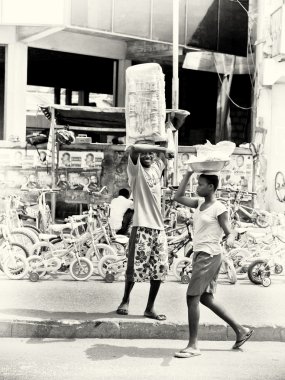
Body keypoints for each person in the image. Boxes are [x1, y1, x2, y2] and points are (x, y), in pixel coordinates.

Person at [173, 171, 253, 358]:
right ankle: (240, 330)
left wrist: (231, 238)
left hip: (209, 255)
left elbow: (229, 230)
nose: (197, 187)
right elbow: (178, 196)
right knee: (205, 298)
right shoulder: (200, 203)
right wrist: (188, 174)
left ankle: (193, 345)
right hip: (201, 254)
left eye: (200, 184)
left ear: (211, 187)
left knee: (192, 297)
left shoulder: (219, 208)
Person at [116, 141, 173, 320]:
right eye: (145, 153)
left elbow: (165, 141)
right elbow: (133, 149)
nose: (148, 156)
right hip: (141, 227)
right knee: (133, 268)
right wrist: (160, 149)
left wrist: (171, 127)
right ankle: (125, 300)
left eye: (151, 154)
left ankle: (150, 308)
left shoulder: (157, 168)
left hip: (159, 229)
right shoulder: (135, 172)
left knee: (159, 269)